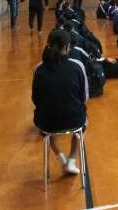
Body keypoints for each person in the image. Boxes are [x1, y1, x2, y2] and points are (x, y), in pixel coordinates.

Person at [32, 30, 88, 176]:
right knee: (83, 124)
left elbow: (35, 99)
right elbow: (84, 97)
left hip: (46, 123)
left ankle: (61, 157)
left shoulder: (39, 68)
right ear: (67, 47)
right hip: (74, 120)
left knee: (48, 130)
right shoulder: (77, 66)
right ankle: (71, 161)